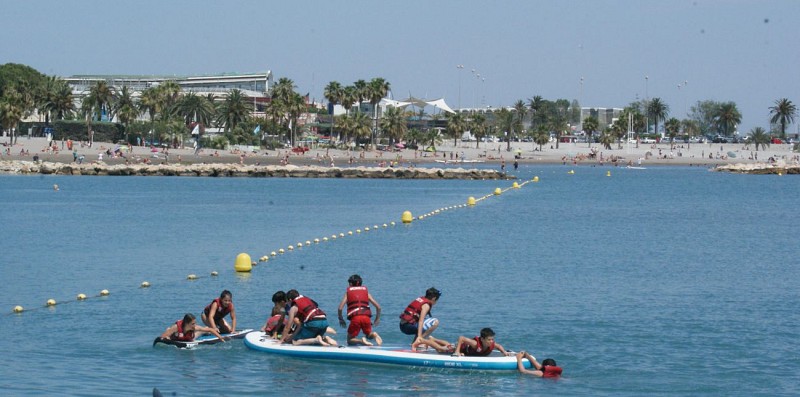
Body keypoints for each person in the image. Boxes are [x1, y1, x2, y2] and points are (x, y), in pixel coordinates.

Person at [399, 287, 451, 353]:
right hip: (408, 327)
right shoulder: (426, 305)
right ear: (434, 298)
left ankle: (416, 341)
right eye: (437, 300)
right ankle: (419, 341)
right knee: (435, 322)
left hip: (403, 326)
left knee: (426, 321)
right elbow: (421, 320)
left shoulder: (420, 299)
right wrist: (420, 336)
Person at [337, 274, 382, 346]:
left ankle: (361, 341)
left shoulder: (348, 293)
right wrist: (377, 319)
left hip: (356, 318)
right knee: (368, 334)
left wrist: (341, 319)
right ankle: (374, 335)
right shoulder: (366, 293)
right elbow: (378, 307)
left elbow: (340, 308)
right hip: (366, 317)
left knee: (350, 340)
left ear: (351, 284)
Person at [159, 313, 225, 342]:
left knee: (201, 331)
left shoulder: (195, 327)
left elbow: (211, 330)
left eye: (195, 323)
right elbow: (162, 337)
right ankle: (168, 330)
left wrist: (221, 338)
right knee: (169, 332)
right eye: (193, 324)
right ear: (187, 324)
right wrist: (166, 338)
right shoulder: (176, 327)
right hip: (176, 336)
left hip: (189, 336)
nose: (195, 325)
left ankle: (204, 331)